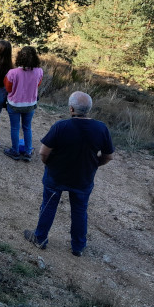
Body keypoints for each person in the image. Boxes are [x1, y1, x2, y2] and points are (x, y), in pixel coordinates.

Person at [24, 92, 114, 257]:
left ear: (71, 109)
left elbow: (43, 153)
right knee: (80, 210)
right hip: (83, 178)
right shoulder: (101, 128)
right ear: (89, 109)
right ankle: (78, 247)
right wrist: (94, 164)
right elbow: (108, 156)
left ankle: (40, 238)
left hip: (56, 175)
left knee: (49, 205)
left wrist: (48, 163)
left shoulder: (61, 126)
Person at [3, 46, 43, 161]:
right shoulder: (39, 71)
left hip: (14, 104)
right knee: (27, 128)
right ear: (35, 57)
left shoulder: (12, 73)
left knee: (15, 128)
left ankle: (15, 151)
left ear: (19, 57)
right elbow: (37, 84)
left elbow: (8, 88)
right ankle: (28, 152)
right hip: (30, 105)